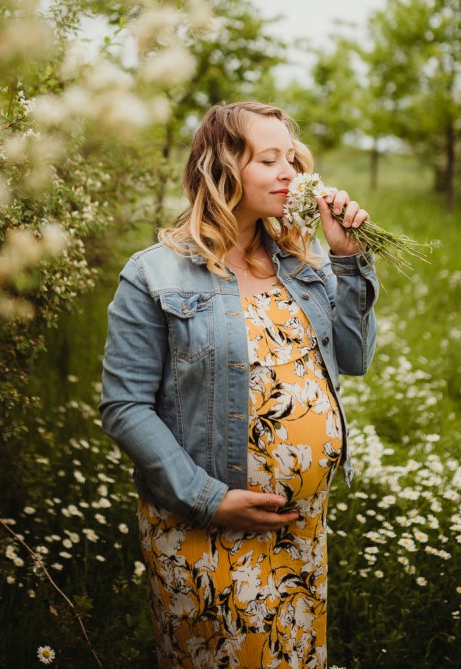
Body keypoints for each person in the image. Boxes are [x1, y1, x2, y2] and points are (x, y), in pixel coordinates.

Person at [100, 100, 379, 668]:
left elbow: (354, 357)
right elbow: (124, 407)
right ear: (223, 169)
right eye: (269, 160)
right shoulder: (155, 273)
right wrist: (211, 500)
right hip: (207, 527)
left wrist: (349, 258)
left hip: (301, 530)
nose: (290, 175)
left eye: (293, 161)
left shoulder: (305, 264)